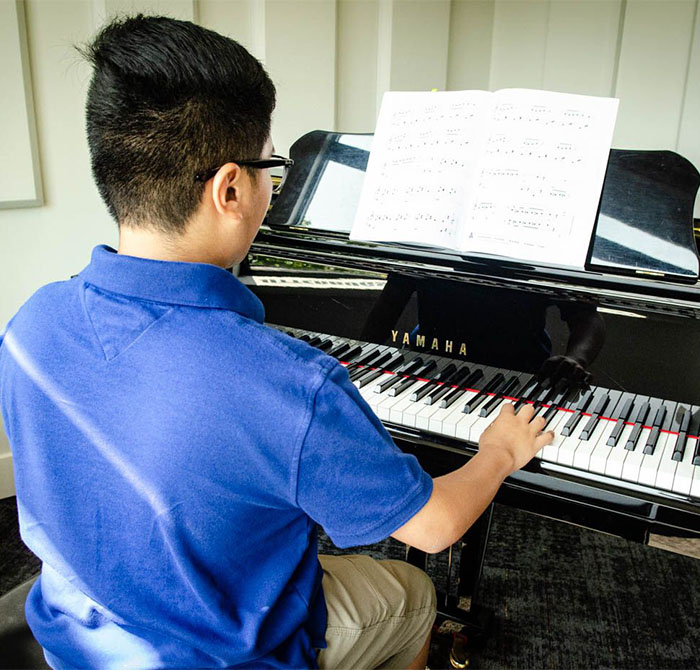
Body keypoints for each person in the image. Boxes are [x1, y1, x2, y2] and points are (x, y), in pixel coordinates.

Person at [0, 15, 553, 670]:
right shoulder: (286, 382)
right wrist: (497, 451)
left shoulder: (29, 324)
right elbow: (435, 527)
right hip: (214, 654)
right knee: (410, 589)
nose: (273, 189)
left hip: (78, 631)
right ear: (230, 188)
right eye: (272, 168)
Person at [361, 272, 606, 388]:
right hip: (427, 368)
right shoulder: (428, 238)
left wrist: (576, 359)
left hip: (518, 379)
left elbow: (586, 316)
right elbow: (390, 302)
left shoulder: (541, 250)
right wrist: (361, 367)